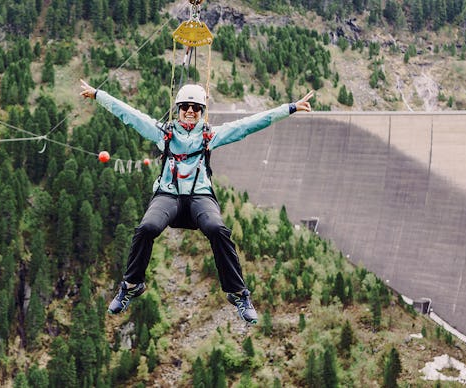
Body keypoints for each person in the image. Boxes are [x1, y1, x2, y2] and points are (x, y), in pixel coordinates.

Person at [80, 80, 313, 324]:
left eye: (196, 108)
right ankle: (131, 285)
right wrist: (99, 95)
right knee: (146, 228)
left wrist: (290, 108)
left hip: (200, 196)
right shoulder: (164, 134)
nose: (190, 111)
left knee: (217, 229)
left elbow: (250, 124)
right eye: (185, 107)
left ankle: (238, 293)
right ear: (178, 109)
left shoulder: (210, 136)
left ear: (202, 112)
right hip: (168, 195)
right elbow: (130, 115)